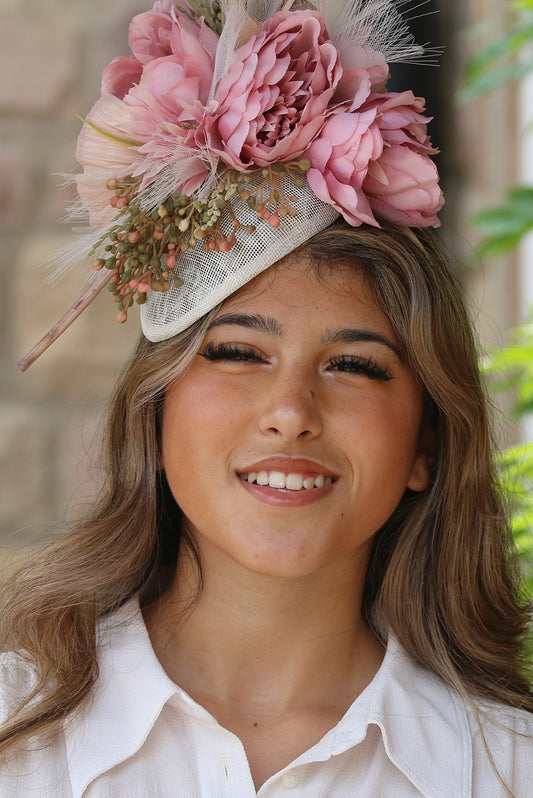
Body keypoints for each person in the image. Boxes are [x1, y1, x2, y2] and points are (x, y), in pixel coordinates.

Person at [1, 1, 532, 796]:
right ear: (157, 408)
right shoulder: (17, 736)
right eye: (238, 353)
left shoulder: (508, 766)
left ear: (425, 442)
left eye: (354, 365)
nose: (291, 410)